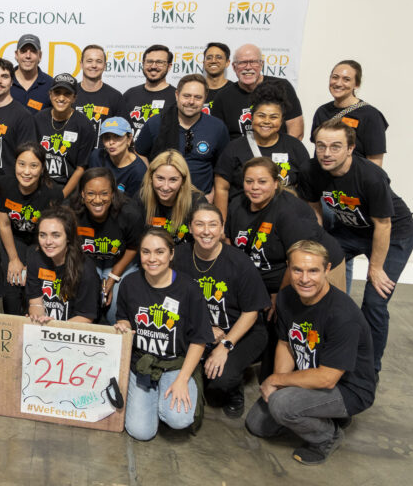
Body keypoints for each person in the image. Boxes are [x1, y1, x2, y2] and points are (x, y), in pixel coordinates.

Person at [299, 121, 413, 371]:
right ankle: (324, 346)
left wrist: (375, 268)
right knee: (315, 272)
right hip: (350, 230)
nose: (327, 153)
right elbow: (315, 209)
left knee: (375, 302)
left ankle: (368, 368)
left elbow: (383, 224)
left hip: (393, 233)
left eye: (335, 146)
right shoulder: (311, 170)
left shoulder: (371, 177)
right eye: (321, 146)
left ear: (351, 148)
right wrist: (320, 247)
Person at [246, 241, 377, 466]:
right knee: (257, 425)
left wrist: (277, 381)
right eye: (297, 270)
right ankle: (322, 413)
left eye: (313, 271)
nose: (304, 279)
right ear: (289, 267)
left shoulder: (342, 315)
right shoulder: (287, 296)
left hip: (347, 387)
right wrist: (280, 385)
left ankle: (328, 436)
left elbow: (327, 378)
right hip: (312, 374)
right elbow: (285, 343)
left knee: (281, 406)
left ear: (327, 270)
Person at [227, 157, 346, 381]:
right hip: (267, 271)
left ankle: (320, 380)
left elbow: (297, 261)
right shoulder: (236, 204)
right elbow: (231, 242)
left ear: (275, 182)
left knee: (309, 324)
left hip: (308, 267)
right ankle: (266, 372)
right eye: (249, 181)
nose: (254, 187)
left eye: (262, 181)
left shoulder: (290, 212)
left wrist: (279, 295)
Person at [114, 227, 215, 441]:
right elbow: (122, 316)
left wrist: (182, 379)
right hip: (141, 363)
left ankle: (170, 393)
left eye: (159, 252)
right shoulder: (130, 284)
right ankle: (152, 400)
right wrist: (122, 322)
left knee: (179, 418)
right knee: (141, 432)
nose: (152, 258)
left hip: (175, 364)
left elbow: (199, 340)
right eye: (146, 252)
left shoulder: (189, 289)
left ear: (171, 254)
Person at [173, 203, 269, 418]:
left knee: (220, 383)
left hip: (241, 331)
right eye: (199, 224)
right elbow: (171, 300)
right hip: (200, 330)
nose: (206, 231)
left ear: (222, 228)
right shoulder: (178, 256)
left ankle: (235, 386)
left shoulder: (239, 262)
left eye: (213, 224)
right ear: (190, 227)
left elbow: (252, 312)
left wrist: (225, 346)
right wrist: (205, 328)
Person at [213, 80, 309, 217]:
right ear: (252, 118)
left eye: (274, 117)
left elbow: (306, 188)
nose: (267, 121)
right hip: (243, 218)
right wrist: (221, 223)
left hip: (284, 218)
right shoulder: (235, 148)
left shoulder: (294, 147)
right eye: (261, 115)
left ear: (281, 121)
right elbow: (221, 187)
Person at [0, 142, 64, 315]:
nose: (26, 172)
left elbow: (52, 233)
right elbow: (3, 225)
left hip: (39, 241)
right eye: (22, 164)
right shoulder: (4, 185)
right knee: (12, 282)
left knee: (32, 280)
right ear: (15, 164)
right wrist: (14, 259)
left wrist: (31, 263)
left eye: (33, 166)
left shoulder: (52, 193)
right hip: (13, 237)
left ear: (42, 168)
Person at [135, 74, 229, 198]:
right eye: (186, 96)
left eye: (198, 97)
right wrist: (151, 179)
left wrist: (213, 194)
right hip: (162, 197)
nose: (191, 101)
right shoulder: (156, 123)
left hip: (201, 199)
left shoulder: (217, 127)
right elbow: (139, 153)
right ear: (177, 95)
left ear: (205, 98)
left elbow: (223, 167)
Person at [73, 168, 144, 320]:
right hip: (88, 261)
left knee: (116, 303)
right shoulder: (72, 211)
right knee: (88, 292)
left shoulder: (130, 213)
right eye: (91, 193)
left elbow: (133, 248)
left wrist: (112, 278)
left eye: (104, 193)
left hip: (119, 261)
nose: (98, 200)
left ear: (113, 194)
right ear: (82, 194)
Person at [211, 43, 304, 140]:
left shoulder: (282, 87)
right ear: (234, 67)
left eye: (253, 62)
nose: (248, 67)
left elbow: (296, 132)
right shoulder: (223, 96)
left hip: (277, 153)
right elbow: (217, 136)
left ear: (261, 64)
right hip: (237, 154)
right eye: (242, 62)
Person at [26, 207, 102, 323]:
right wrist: (39, 319)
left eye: (56, 235)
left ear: (68, 237)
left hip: (73, 333)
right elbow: (36, 303)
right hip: (46, 327)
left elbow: (85, 317)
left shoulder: (86, 269)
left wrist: (54, 330)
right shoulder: (35, 259)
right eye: (42, 235)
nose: (48, 242)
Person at [311, 60, 387, 167]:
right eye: (335, 77)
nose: (338, 83)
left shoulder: (370, 115)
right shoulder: (322, 111)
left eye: (346, 79)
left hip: (355, 179)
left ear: (356, 84)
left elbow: (375, 162)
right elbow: (319, 150)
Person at [35, 73, 96, 196]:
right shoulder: (38, 119)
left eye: (67, 94)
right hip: (38, 187)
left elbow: (80, 168)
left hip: (67, 190)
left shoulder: (84, 126)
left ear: (74, 98)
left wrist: (62, 196)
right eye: (57, 92)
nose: (61, 98)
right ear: (50, 95)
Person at [138, 150, 206, 244]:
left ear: (183, 181)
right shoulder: (141, 198)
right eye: (160, 178)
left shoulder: (197, 202)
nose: (165, 187)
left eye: (173, 180)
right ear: (151, 177)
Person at [75, 45, 125, 144]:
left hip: (103, 158)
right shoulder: (70, 93)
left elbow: (124, 132)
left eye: (99, 61)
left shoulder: (115, 96)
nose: (94, 65)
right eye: (89, 61)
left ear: (105, 66)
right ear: (81, 64)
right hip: (73, 157)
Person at [123, 45, 176, 138]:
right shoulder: (130, 94)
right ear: (143, 64)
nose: (153, 66)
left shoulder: (177, 97)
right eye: (149, 62)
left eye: (159, 62)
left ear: (169, 66)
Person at [87, 116, 146, 197]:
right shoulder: (96, 157)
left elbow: (133, 205)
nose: (111, 142)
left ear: (129, 139)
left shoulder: (138, 171)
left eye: (117, 136)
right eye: (107, 137)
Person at [10, 33, 53, 114]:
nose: (28, 56)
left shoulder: (51, 84)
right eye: (23, 51)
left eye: (33, 51)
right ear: (16, 55)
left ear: (40, 55)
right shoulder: (4, 81)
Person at [202, 42, 232, 112]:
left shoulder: (235, 91)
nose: (213, 61)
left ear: (227, 62)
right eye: (209, 58)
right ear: (204, 63)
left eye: (219, 57)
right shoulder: (196, 90)